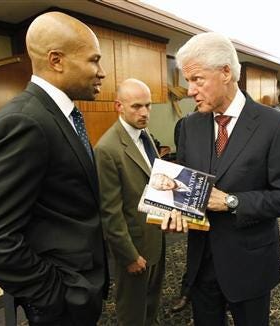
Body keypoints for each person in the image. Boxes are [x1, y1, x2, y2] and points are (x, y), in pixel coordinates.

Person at [0, 12, 108, 326]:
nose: (102, 73)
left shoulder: (60, 115)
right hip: (61, 301)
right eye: (94, 61)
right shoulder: (25, 122)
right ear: (56, 60)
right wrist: (54, 293)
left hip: (82, 283)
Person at [161, 32, 280, 326]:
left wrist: (231, 201)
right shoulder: (188, 126)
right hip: (201, 263)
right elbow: (187, 184)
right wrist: (174, 207)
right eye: (187, 81)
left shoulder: (273, 125)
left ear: (226, 72)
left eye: (197, 79)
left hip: (249, 263)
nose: (190, 91)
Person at [94, 78, 165, 326]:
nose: (144, 112)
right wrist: (129, 256)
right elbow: (110, 212)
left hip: (155, 236)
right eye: (136, 106)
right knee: (132, 311)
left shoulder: (145, 136)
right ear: (119, 106)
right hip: (133, 248)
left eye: (148, 105)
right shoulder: (107, 149)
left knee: (151, 303)